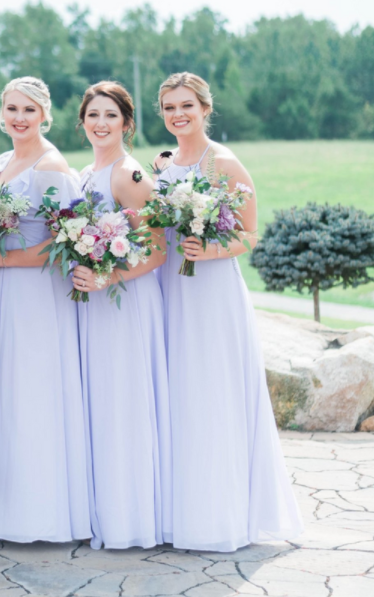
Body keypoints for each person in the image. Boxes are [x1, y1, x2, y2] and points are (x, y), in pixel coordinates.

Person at [154, 72, 303, 551]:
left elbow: (250, 233)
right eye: (169, 107)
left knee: (211, 392)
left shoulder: (224, 163)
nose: (178, 114)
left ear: (205, 108)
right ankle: (180, 509)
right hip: (171, 286)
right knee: (179, 394)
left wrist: (210, 251)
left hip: (211, 291)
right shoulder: (165, 163)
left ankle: (220, 516)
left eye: (186, 105)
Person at [0, 77, 92, 544]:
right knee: (6, 392)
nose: (19, 118)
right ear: (2, 113)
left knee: (34, 391)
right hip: (3, 293)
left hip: (38, 294)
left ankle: (40, 514)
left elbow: (65, 243)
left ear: (44, 114)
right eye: (12, 109)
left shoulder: (51, 166)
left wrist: (1, 259)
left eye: (29, 110)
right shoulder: (0, 165)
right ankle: (5, 512)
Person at [72, 81, 172, 549]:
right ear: (82, 122)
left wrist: (108, 277)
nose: (101, 123)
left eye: (110, 115)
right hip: (97, 303)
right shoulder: (87, 172)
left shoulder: (128, 175)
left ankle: (130, 520)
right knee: (103, 402)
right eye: (93, 115)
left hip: (126, 301)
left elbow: (158, 249)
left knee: (124, 402)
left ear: (127, 123)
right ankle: (105, 510)